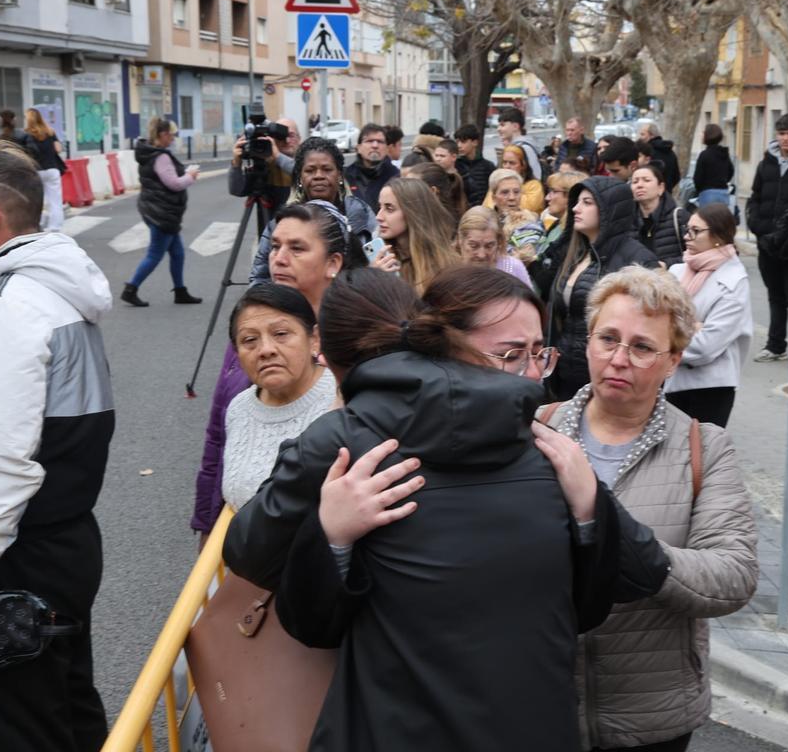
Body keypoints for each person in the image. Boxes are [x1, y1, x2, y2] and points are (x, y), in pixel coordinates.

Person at [226, 267, 626, 752]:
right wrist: (591, 512)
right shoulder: (542, 440)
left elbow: (290, 599)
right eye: (514, 353)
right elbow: (596, 601)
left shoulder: (344, 443)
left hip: (394, 727)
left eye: (534, 353)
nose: (531, 367)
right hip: (535, 726)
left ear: (326, 357)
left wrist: (330, 535)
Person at [539, 265, 759, 751]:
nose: (619, 359)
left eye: (641, 347)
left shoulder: (706, 448)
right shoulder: (539, 430)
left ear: (673, 360)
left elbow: (733, 575)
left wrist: (628, 546)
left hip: (651, 715)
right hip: (540, 704)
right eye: (608, 339)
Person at [0, 151, 114, 751]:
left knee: (24, 724)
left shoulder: (6, 307)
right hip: (66, 538)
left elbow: (1, 456)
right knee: (67, 702)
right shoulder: (57, 289)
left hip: (23, 551)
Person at [193, 201, 366, 540]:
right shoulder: (251, 325)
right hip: (245, 537)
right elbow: (219, 435)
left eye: (296, 248)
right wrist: (207, 524)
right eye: (274, 246)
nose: (279, 258)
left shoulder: (358, 343)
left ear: (333, 263)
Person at [222, 282, 338, 512]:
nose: (266, 350)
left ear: (314, 339)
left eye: (281, 334)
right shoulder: (239, 408)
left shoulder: (343, 400)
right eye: (249, 340)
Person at [549, 176, 659, 399]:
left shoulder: (637, 259)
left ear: (610, 211)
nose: (575, 208)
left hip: (607, 377)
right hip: (564, 374)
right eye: (577, 201)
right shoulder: (577, 253)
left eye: (587, 203)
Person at [664, 204, 751, 427]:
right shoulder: (678, 271)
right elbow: (655, 322)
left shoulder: (733, 281)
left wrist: (668, 338)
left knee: (699, 457)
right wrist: (690, 327)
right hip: (671, 381)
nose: (687, 236)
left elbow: (705, 347)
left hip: (710, 387)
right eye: (687, 229)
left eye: (695, 231)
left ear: (718, 236)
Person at [252, 137, 377, 282]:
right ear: (300, 178)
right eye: (310, 170)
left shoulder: (360, 212)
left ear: (340, 175)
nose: (318, 176)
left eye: (327, 169)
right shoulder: (282, 222)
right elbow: (260, 278)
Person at [122, 118, 201, 307]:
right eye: (172, 135)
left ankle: (180, 291)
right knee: (155, 254)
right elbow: (173, 184)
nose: (173, 139)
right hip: (162, 212)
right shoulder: (161, 157)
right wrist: (190, 176)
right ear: (163, 135)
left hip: (156, 208)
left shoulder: (148, 152)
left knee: (178, 253)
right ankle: (130, 289)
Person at [747, 113, 788, 364]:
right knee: (775, 295)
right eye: (782, 134)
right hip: (767, 242)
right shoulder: (766, 164)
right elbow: (756, 197)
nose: (786, 139)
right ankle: (775, 345)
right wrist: (758, 226)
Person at [370, 177, 460, 294]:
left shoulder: (448, 265)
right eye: (380, 207)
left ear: (413, 212)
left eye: (389, 208)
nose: (379, 216)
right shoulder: (382, 262)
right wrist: (372, 281)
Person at [228, 117, 302, 236]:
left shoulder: (308, 162)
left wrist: (278, 157)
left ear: (300, 139)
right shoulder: (264, 165)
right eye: (281, 136)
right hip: (270, 239)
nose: (287, 140)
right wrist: (236, 163)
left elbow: (301, 172)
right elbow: (236, 190)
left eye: (292, 135)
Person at [455, 206, 533, 287]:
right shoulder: (449, 269)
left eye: (489, 246)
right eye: (474, 246)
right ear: (460, 240)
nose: (481, 255)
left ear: (498, 242)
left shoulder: (513, 268)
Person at [630, 162, 688, 267]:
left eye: (646, 180)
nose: (639, 185)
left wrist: (666, 265)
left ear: (661, 188)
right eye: (635, 182)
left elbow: (695, 256)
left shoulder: (679, 217)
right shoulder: (627, 221)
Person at [24, 107, 67, 233]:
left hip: (36, 170)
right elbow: (58, 149)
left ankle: (39, 222)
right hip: (52, 169)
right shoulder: (50, 131)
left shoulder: (27, 134)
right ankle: (55, 227)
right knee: (55, 201)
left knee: (37, 199)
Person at [344, 123, 399, 213]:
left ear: (387, 148)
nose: (375, 146)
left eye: (380, 141)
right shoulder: (346, 176)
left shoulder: (396, 177)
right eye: (369, 141)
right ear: (358, 148)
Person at [403, 161, 467, 222]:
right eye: (405, 184)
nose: (406, 190)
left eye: (413, 186)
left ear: (433, 191)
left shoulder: (445, 225)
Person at [454, 123, 496, 208]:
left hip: (484, 210)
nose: (459, 146)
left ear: (475, 142)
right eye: (457, 142)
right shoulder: (455, 165)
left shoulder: (488, 166)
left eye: (463, 142)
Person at [693, 123, 734, 208]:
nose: (701, 135)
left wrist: (700, 189)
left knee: (707, 220)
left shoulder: (704, 155)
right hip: (723, 192)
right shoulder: (724, 154)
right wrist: (723, 181)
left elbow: (697, 178)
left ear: (708, 136)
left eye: (703, 133)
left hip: (707, 193)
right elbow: (731, 171)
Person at [497, 106, 543, 181]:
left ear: (515, 126)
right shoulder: (514, 146)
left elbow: (536, 177)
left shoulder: (525, 148)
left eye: (502, 125)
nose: (498, 129)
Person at [497, 144, 545, 213]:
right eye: (504, 162)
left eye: (512, 163)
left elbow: (527, 209)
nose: (507, 166)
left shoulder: (534, 185)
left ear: (523, 165)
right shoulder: (497, 184)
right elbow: (488, 207)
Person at [637, 121, 681, 192]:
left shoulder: (647, 153)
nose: (640, 137)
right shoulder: (671, 152)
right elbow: (677, 176)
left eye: (643, 134)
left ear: (652, 135)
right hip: (666, 193)